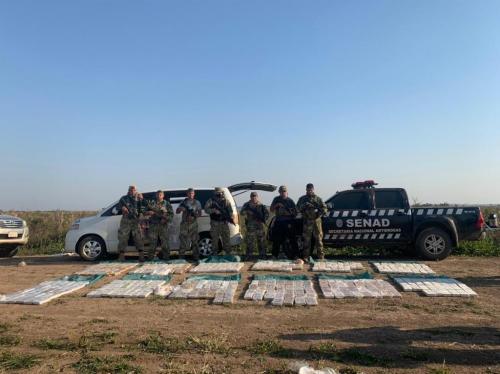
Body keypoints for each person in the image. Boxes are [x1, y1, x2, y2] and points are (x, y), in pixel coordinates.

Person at [297, 183, 327, 260]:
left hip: (317, 222)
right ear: (306, 189)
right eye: (308, 189)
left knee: (319, 240)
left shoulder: (318, 199)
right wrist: (304, 206)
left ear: (313, 189)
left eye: (311, 189)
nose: (310, 191)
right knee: (306, 240)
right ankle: (305, 257)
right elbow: (297, 208)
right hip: (307, 221)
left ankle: (321, 257)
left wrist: (319, 212)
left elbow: (324, 208)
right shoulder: (302, 199)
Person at [117, 185, 145, 262]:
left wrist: (142, 199)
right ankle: (121, 255)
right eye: (131, 190)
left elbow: (144, 208)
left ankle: (141, 255)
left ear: (136, 190)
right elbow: (118, 207)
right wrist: (122, 208)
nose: (132, 191)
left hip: (136, 220)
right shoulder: (124, 198)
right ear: (129, 190)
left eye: (134, 190)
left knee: (138, 237)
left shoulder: (139, 198)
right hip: (126, 220)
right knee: (123, 237)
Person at [270, 185, 299, 259]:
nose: (283, 193)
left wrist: (289, 213)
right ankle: (274, 255)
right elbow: (271, 209)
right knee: (276, 239)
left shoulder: (290, 201)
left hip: (288, 221)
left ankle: (295, 255)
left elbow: (296, 212)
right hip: (279, 221)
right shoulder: (276, 199)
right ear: (279, 192)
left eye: (284, 191)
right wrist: (277, 205)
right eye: (281, 191)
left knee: (292, 239)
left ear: (287, 192)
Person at [204, 187, 235, 255]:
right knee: (215, 239)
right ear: (215, 193)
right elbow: (206, 209)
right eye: (217, 192)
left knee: (226, 238)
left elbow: (230, 211)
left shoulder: (226, 201)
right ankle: (214, 253)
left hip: (224, 223)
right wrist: (214, 210)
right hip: (215, 223)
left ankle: (228, 252)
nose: (219, 194)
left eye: (220, 192)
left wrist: (229, 217)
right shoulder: (211, 201)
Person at [241, 192, 270, 260]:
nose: (254, 197)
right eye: (252, 196)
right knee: (250, 241)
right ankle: (249, 255)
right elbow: (242, 212)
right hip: (250, 226)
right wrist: (247, 212)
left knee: (261, 241)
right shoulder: (247, 204)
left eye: (255, 196)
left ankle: (262, 255)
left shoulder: (261, 205)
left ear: (257, 197)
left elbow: (267, 214)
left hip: (260, 226)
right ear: (250, 197)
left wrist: (263, 219)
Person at [145, 190, 174, 261]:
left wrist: (165, 219)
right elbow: (144, 212)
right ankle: (150, 258)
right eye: (157, 195)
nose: (159, 196)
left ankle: (166, 258)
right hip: (153, 225)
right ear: (156, 195)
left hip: (163, 225)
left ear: (163, 195)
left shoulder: (166, 204)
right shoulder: (151, 203)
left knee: (165, 243)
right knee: (152, 243)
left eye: (160, 195)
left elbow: (171, 215)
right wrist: (148, 212)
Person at [177, 188, 202, 260]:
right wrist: (181, 209)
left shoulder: (197, 202)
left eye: (192, 193)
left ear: (194, 194)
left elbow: (200, 213)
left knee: (195, 242)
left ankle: (196, 257)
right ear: (187, 194)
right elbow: (177, 211)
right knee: (183, 242)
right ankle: (181, 258)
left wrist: (194, 215)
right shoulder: (183, 202)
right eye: (189, 193)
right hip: (184, 224)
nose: (190, 195)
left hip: (193, 224)